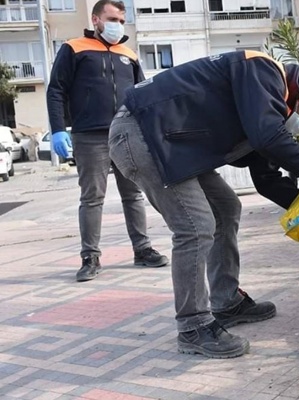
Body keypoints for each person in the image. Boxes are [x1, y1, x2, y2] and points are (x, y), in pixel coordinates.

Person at [108, 50, 299, 358]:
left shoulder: (268, 107)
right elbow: (267, 138)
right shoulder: (262, 70)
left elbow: (266, 177)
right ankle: (192, 326)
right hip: (142, 135)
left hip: (172, 145)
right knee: (195, 226)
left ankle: (226, 301)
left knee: (226, 208)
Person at [46, 0, 169, 283]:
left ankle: (142, 249)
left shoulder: (129, 53)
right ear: (96, 19)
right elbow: (56, 91)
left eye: (122, 21)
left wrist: (150, 130)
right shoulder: (74, 48)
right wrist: (57, 129)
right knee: (92, 197)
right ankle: (90, 257)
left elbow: (142, 95)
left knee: (134, 195)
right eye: (112, 18)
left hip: (126, 133)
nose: (118, 25)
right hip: (89, 135)